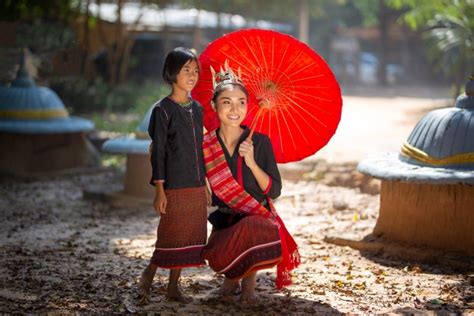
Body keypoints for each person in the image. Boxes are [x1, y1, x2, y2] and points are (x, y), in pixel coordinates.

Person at [201, 64, 300, 303]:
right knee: (217, 258)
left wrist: (252, 161)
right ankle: (231, 279)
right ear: (214, 106)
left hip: (255, 219)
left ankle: (249, 288)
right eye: (227, 102)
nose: (235, 109)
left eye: (241, 102)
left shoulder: (260, 142)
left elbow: (274, 190)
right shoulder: (205, 144)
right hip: (223, 220)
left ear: (248, 105)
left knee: (256, 227)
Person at [138, 47, 210, 303]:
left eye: (195, 70)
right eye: (185, 70)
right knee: (170, 232)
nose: (192, 75)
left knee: (188, 234)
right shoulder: (163, 110)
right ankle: (149, 272)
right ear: (172, 74)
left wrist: (206, 182)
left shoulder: (198, 109)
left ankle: (173, 287)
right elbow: (157, 152)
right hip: (174, 184)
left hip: (196, 183)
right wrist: (159, 189)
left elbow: (200, 148)